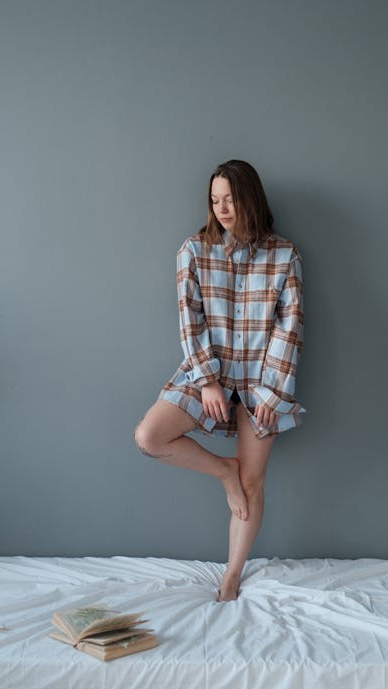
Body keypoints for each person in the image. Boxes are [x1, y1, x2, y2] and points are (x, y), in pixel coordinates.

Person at [134, 159, 306, 602]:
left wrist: (271, 391)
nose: (222, 208)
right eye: (215, 200)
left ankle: (231, 577)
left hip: (261, 378)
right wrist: (208, 380)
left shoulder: (285, 256)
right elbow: (188, 320)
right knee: (149, 436)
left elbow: (290, 327)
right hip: (205, 370)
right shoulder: (193, 251)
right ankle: (223, 472)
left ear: (250, 198)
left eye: (229, 198)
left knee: (254, 481)